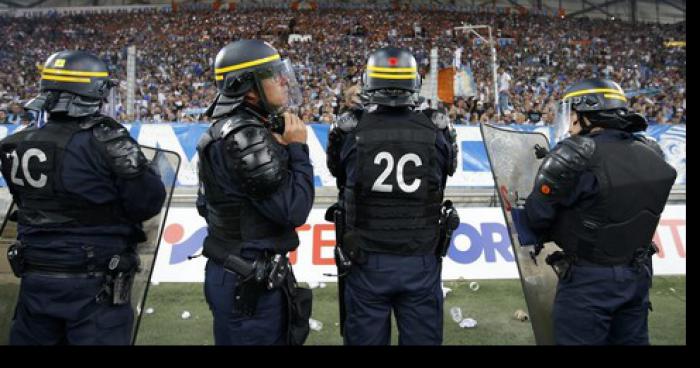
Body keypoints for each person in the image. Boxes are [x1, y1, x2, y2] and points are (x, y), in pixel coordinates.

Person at [0, 50, 166, 345]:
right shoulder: (107, 142)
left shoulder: (16, 143)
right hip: (94, 284)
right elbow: (148, 202)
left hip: (35, 279)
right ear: (95, 91)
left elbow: (26, 204)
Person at [523, 78, 677, 345]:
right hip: (637, 275)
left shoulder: (576, 154)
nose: (569, 120)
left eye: (571, 112)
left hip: (589, 282)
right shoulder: (652, 151)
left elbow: (537, 217)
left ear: (586, 113)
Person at [326, 47, 459, 345]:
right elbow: (446, 173)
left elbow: (340, 176)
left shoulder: (350, 128)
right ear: (413, 81)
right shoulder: (437, 128)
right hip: (420, 257)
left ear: (369, 81)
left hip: (366, 258)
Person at [196, 39, 314, 346]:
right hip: (248, 276)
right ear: (247, 86)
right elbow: (293, 210)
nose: (284, 80)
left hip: (244, 270)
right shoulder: (245, 135)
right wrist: (298, 148)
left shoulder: (231, 129)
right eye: (273, 74)